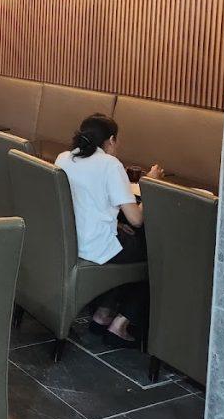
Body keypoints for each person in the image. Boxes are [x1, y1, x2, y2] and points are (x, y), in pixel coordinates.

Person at [55, 113, 162, 348]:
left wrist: (114, 223)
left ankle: (103, 313)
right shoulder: (110, 165)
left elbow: (82, 203)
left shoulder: (63, 158)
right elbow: (136, 219)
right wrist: (151, 184)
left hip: (71, 240)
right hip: (97, 245)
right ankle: (120, 323)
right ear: (111, 140)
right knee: (157, 255)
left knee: (131, 242)